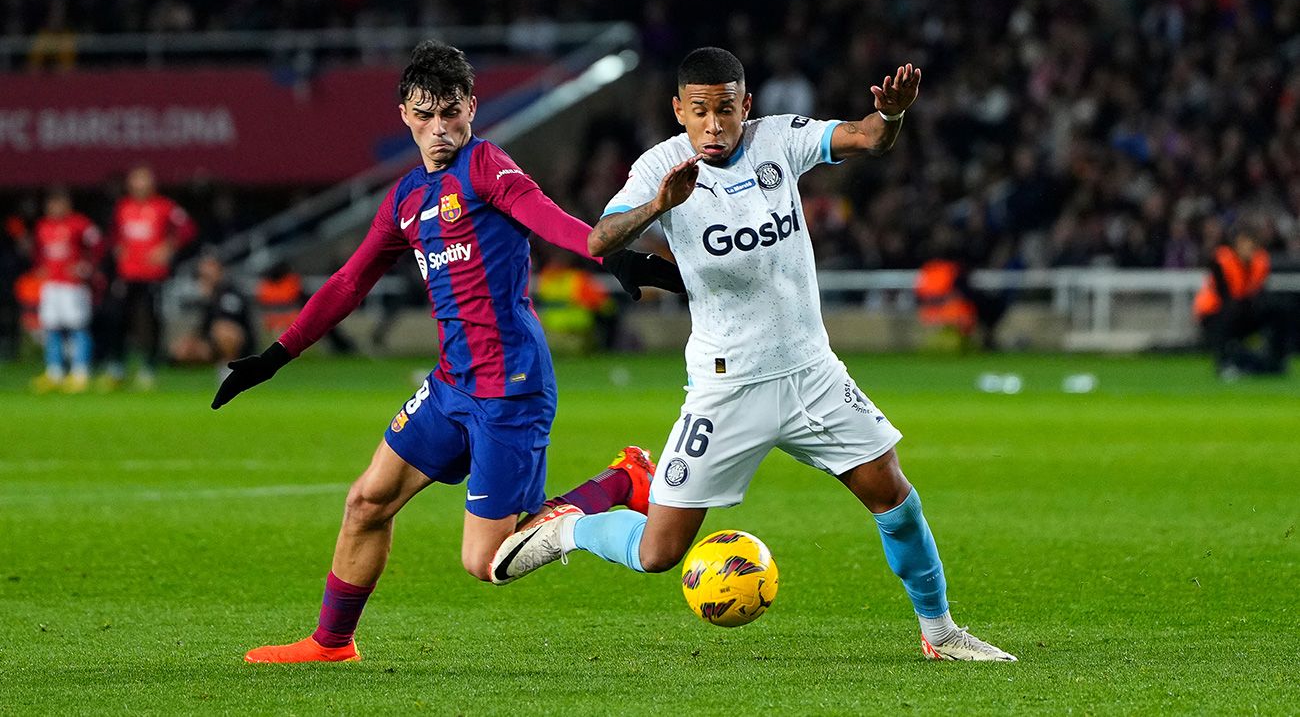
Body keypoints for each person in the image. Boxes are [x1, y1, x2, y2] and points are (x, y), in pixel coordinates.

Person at [491, 48, 1017, 662]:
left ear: (746, 105)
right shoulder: (659, 166)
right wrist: (660, 205)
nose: (714, 125)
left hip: (812, 373)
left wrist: (892, 116)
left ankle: (941, 633)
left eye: (725, 110)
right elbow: (599, 239)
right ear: (679, 112)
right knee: (659, 553)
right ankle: (569, 528)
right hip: (726, 386)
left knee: (895, 497)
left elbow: (870, 137)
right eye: (699, 112)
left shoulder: (780, 141)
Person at [210, 40, 684, 664]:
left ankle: (622, 480)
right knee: (366, 501)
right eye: (425, 115)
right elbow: (349, 281)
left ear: (471, 109)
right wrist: (275, 355)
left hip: (510, 387)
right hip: (451, 383)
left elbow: (547, 219)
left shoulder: (487, 167)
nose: (440, 129)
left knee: (488, 559)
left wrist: (612, 250)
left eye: (451, 112)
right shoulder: (407, 197)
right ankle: (331, 643)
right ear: (405, 114)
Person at [100, 165, 198, 390]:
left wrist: (169, 247)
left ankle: (149, 368)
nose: (140, 185)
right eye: (136, 180)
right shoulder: (123, 207)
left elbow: (187, 229)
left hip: (152, 275)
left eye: (144, 180)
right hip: (127, 273)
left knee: (150, 321)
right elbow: (111, 235)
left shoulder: (164, 207)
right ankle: (117, 367)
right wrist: (117, 247)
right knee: (117, 318)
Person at [29, 188, 102, 393]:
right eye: (51, 204)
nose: (54, 208)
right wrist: (39, 267)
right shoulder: (43, 226)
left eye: (59, 203)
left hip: (73, 286)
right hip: (51, 285)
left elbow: (98, 245)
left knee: (78, 327)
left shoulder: (79, 224)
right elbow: (39, 252)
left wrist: (86, 265)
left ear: (67, 205)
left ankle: (80, 373)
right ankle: (55, 373)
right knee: (51, 328)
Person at [1194, 225, 1289, 378]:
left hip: (1241, 308)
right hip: (1214, 313)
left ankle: (1276, 360)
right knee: (1231, 311)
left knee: (1278, 310)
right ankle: (1225, 362)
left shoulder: (1260, 261)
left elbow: (1258, 291)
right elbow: (1224, 296)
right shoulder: (1222, 261)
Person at [169, 255, 256, 379]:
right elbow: (199, 327)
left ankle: (230, 370)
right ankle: (197, 379)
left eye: (208, 275)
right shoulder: (204, 297)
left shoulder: (231, 293)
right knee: (180, 349)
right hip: (209, 342)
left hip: (239, 343)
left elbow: (229, 323)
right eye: (202, 275)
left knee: (223, 331)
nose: (205, 278)